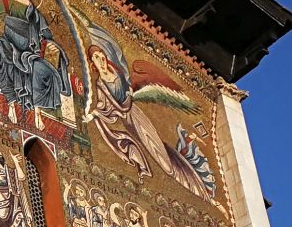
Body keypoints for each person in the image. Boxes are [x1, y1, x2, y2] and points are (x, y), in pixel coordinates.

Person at [83, 24, 216, 202]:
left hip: (137, 116)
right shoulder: (100, 84)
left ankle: (179, 175)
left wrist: (88, 25)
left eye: (100, 56)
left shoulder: (120, 74)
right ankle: (160, 171)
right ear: (92, 64)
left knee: (157, 148)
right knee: (144, 149)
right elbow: (103, 107)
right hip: (127, 122)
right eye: (95, 58)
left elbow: (118, 54)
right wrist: (93, 115)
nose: (99, 60)